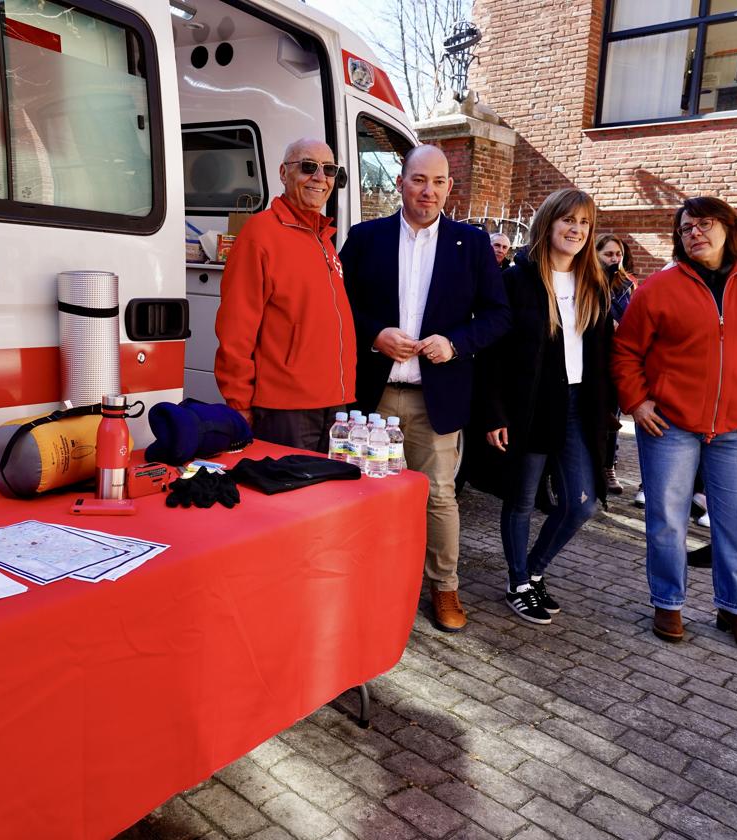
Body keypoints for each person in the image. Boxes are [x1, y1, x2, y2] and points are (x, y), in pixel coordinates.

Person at [613, 197, 737, 652]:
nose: (695, 233)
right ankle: (668, 602)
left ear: (728, 228)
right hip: (670, 427)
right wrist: (637, 402)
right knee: (667, 521)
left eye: (705, 224)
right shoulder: (657, 288)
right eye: (686, 228)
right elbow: (625, 352)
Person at [341, 145, 511, 632]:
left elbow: (499, 316)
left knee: (438, 497)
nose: (428, 191)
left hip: (435, 398)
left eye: (438, 181)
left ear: (449, 188)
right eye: (419, 179)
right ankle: (363, 583)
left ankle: (444, 588)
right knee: (363, 496)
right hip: (372, 396)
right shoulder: (365, 238)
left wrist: (454, 344)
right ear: (401, 182)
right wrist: (375, 333)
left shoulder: (471, 244)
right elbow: (339, 305)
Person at [475, 188, 618, 625]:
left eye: (584, 224)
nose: (576, 230)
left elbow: (603, 354)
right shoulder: (517, 279)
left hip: (578, 405)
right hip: (530, 404)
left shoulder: (595, 282)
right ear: (549, 222)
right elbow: (494, 353)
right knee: (520, 500)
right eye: (568, 220)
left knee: (582, 503)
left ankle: (535, 570)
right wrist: (495, 413)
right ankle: (518, 582)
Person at [214, 138, 357, 452]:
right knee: (289, 497)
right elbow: (236, 327)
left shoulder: (324, 238)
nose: (320, 177)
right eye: (308, 166)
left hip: (333, 403)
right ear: (283, 172)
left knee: (327, 498)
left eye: (330, 170)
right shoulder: (260, 234)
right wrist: (238, 401)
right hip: (286, 408)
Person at [595, 233, 636, 495]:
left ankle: (608, 466)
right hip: (591, 357)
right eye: (608, 254)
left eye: (618, 254)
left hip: (615, 357)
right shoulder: (586, 280)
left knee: (613, 415)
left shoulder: (626, 285)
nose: (614, 259)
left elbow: (633, 318)